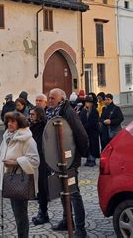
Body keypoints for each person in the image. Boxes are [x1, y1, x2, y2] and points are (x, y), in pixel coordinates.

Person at [0, 112, 39, 238]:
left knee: (20, 214)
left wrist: (15, 162)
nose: (10, 124)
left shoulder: (27, 140)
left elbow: (34, 161)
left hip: (20, 180)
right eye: (8, 121)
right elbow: (1, 154)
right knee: (17, 212)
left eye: (13, 121)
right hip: (9, 179)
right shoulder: (8, 137)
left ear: (20, 123)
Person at [46, 88, 89, 237]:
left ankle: (80, 229)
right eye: (49, 97)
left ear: (61, 99)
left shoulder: (68, 112)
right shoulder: (52, 112)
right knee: (63, 192)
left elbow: (81, 134)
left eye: (53, 98)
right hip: (57, 160)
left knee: (73, 193)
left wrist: (78, 155)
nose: (49, 100)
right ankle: (67, 220)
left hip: (69, 160)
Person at [29, 107, 50, 225]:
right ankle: (41, 212)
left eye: (33, 115)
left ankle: (43, 213)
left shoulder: (44, 127)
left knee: (42, 187)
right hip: (35, 158)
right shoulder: (32, 126)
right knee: (38, 187)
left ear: (39, 115)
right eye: (30, 114)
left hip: (42, 159)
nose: (30, 116)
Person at [80, 96, 100, 167]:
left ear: (91, 103)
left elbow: (93, 121)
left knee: (93, 145)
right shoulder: (83, 110)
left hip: (93, 131)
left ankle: (92, 160)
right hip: (86, 131)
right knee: (87, 145)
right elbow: (81, 119)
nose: (86, 104)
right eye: (86, 102)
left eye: (88, 102)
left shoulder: (94, 111)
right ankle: (88, 159)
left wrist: (85, 126)